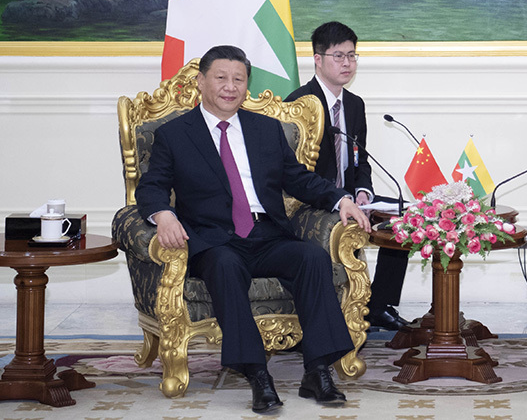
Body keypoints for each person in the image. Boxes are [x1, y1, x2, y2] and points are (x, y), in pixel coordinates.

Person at [136, 45, 371, 413]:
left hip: (267, 235)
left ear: (247, 85)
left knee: (311, 257)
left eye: (239, 79)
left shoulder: (266, 129)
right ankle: (257, 374)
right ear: (201, 82)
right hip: (214, 241)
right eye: (221, 78)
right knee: (226, 266)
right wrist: (163, 214)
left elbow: (298, 179)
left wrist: (339, 199)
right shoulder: (175, 134)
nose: (230, 87)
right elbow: (151, 186)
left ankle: (317, 371)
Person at [285, 21, 410, 331]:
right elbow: (294, 173)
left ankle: (379, 306)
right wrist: (339, 198)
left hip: (351, 194)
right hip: (314, 200)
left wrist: (363, 190)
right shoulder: (298, 105)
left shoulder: (354, 105)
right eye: (338, 56)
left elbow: (360, 158)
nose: (347, 63)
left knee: (405, 217)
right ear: (318, 59)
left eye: (352, 55)